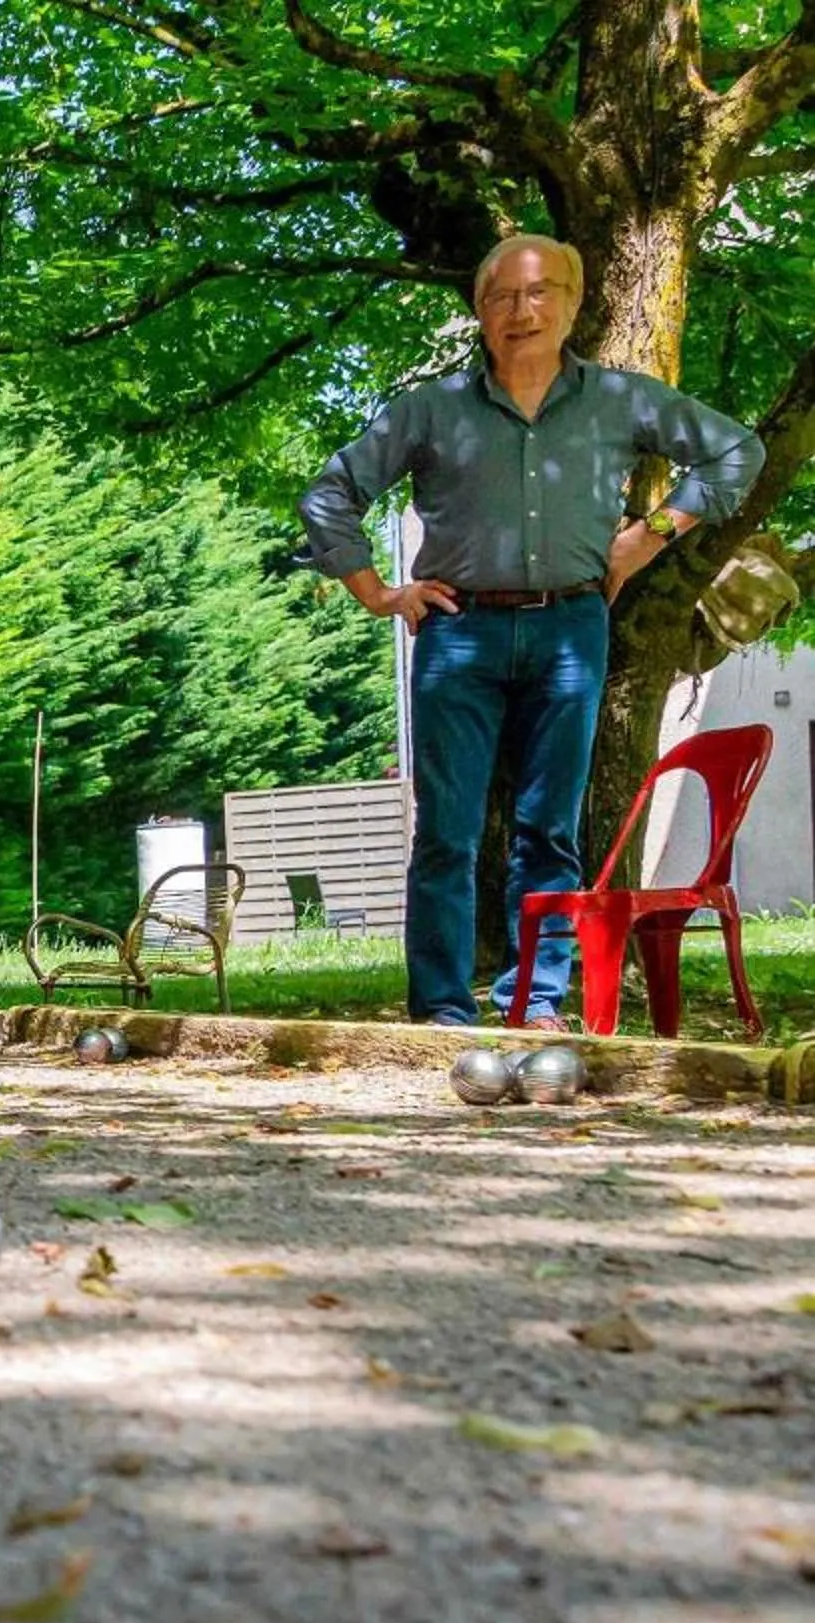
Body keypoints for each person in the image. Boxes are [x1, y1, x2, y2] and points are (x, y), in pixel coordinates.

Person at [298, 233, 762, 1029]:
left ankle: (535, 1000)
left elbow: (735, 451)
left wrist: (648, 533)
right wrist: (378, 595)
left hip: (572, 629)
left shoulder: (622, 399)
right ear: (480, 312)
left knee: (551, 828)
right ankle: (442, 1009)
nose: (524, 310)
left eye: (543, 291)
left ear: (574, 304)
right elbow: (329, 496)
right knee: (447, 830)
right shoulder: (429, 409)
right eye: (505, 296)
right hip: (459, 634)